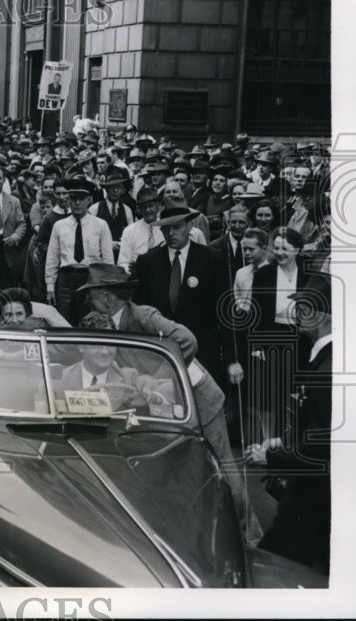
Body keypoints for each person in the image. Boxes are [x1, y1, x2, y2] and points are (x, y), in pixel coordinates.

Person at [75, 263, 261, 544]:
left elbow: (187, 340)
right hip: (169, 403)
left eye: (92, 294)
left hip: (200, 399)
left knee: (222, 468)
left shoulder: (144, 315)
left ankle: (252, 538)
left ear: (107, 296)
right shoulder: (105, 323)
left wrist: (162, 375)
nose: (88, 301)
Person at [248, 275, 332, 573]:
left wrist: (270, 455)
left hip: (311, 503)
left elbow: (322, 447)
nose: (296, 314)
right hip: (318, 501)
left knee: (268, 569)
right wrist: (283, 442)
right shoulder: (325, 358)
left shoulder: (326, 369)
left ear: (323, 315)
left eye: (304, 307)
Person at [132, 205, 234, 394]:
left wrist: (231, 360)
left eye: (177, 227)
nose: (171, 233)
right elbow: (140, 312)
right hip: (161, 354)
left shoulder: (212, 259)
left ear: (189, 227)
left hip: (203, 351)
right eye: (165, 229)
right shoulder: (148, 262)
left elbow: (226, 312)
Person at [244, 227, 310, 442]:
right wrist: (257, 346)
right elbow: (256, 312)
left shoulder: (308, 273)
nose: (280, 252)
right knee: (272, 395)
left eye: (286, 248)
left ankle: (294, 440)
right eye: (277, 247)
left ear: (297, 250)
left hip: (302, 340)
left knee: (297, 392)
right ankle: (271, 441)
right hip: (272, 337)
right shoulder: (265, 274)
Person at [44, 178, 113, 323]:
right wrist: (50, 287)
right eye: (73, 199)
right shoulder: (59, 226)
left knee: (88, 320)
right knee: (63, 320)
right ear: (68, 200)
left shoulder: (100, 225)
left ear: (89, 200)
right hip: (66, 280)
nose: (77, 203)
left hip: (90, 278)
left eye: (81, 199)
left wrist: (106, 288)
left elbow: (107, 260)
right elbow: (52, 258)